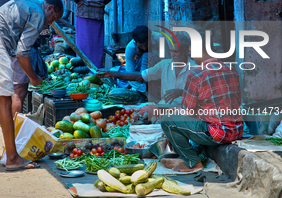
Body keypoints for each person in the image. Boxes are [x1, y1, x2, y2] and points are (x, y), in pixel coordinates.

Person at [0, 0, 63, 170]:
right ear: (49, 9)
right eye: (53, 19)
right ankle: (12, 157)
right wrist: (34, 78)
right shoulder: (39, 13)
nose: (50, 23)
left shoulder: (29, 2)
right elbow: (22, 53)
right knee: (4, 100)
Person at [160, 33, 244, 172]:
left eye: (193, 51)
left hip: (217, 133)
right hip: (237, 130)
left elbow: (188, 112)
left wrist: (171, 125)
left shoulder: (196, 74)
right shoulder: (231, 70)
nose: (192, 55)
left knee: (167, 121)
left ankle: (192, 162)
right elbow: (237, 101)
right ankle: (193, 154)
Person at [0, 0, 48, 116]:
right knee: (19, 91)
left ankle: (11, 129)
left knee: (10, 90)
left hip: (3, 42)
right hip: (13, 45)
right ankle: (14, 133)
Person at [97, 33, 195, 106]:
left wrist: (181, 92)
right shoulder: (164, 65)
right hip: (163, 109)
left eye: (176, 52)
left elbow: (203, 95)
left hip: (185, 112)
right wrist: (111, 74)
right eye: (171, 51)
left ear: (186, 50)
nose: (172, 54)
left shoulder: (196, 69)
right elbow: (140, 76)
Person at [124, 25, 170, 94]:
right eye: (141, 46)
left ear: (150, 38)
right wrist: (145, 92)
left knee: (147, 55)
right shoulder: (130, 48)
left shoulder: (160, 39)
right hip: (140, 71)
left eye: (146, 45)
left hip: (157, 67)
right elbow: (130, 73)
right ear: (135, 42)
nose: (144, 48)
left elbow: (167, 61)